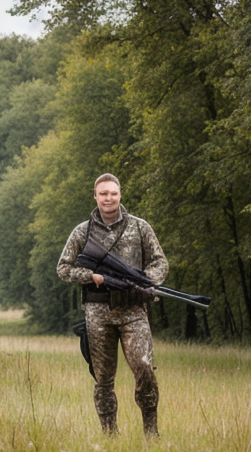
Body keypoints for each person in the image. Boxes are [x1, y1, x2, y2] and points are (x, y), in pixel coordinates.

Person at [57, 173, 169, 437]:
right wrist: (91, 276)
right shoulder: (82, 232)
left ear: (120, 195)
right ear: (95, 196)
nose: (109, 198)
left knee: (143, 367)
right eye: (103, 193)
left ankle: (151, 434)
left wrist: (142, 281)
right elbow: (63, 268)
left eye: (113, 193)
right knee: (103, 379)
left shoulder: (140, 227)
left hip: (133, 311)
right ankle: (110, 436)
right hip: (97, 314)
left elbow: (160, 263)